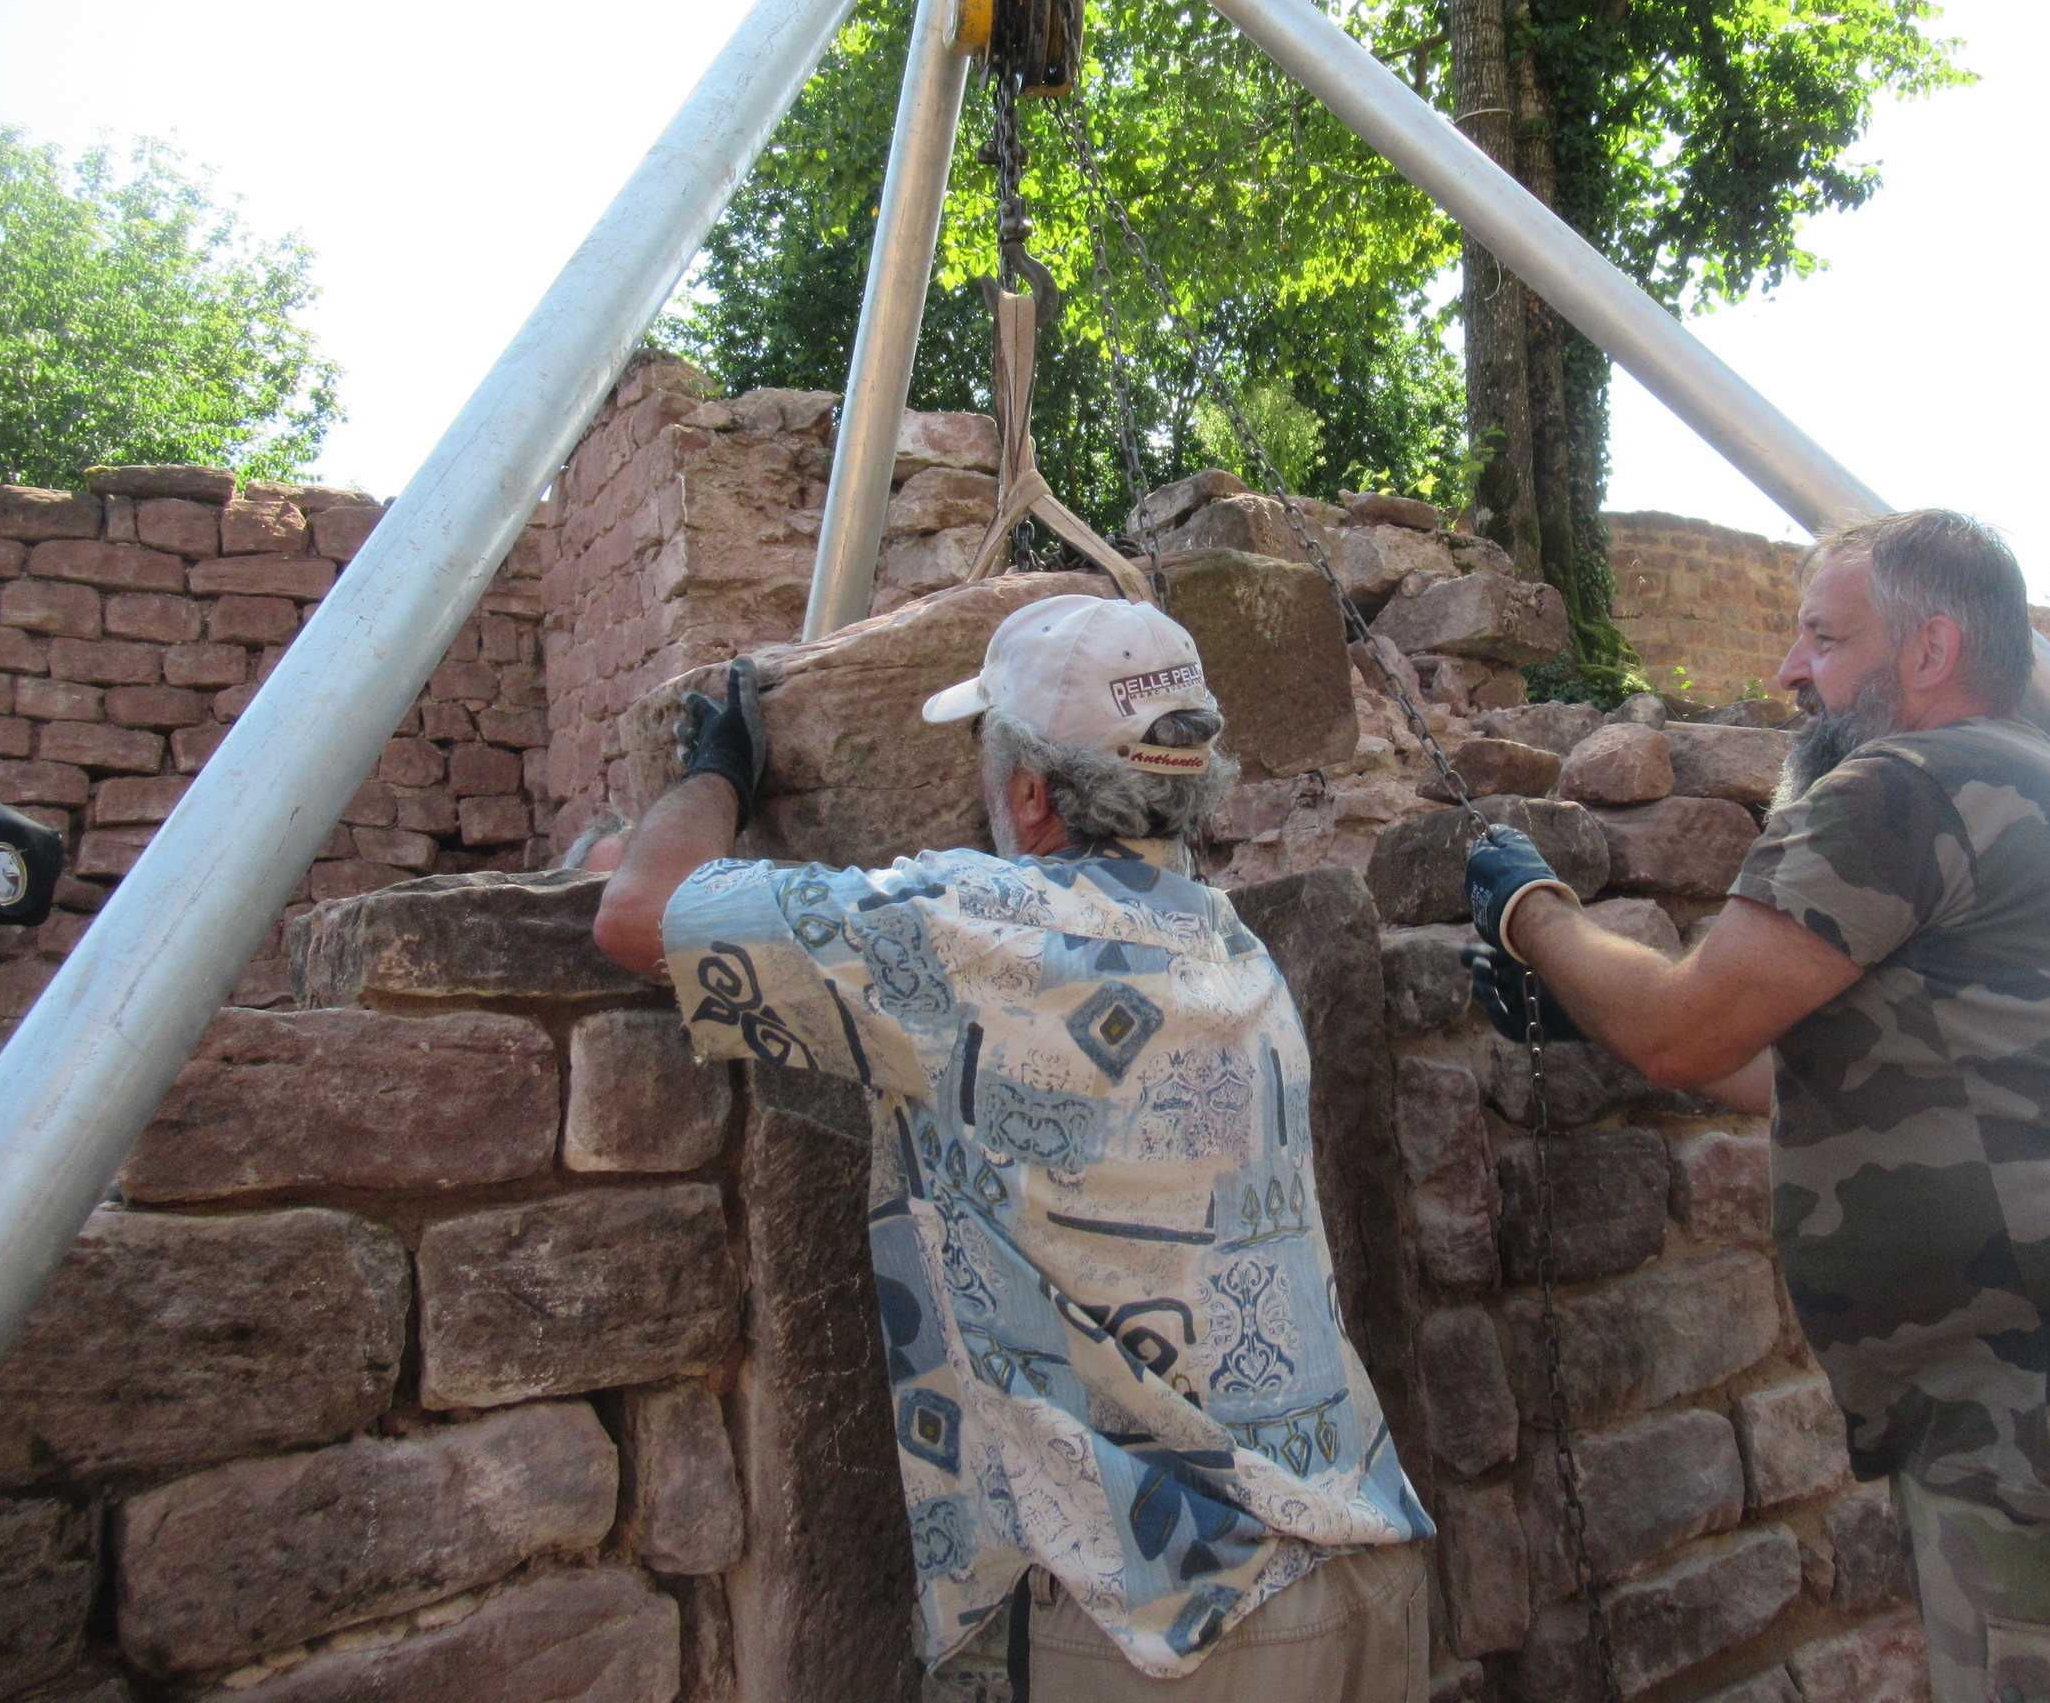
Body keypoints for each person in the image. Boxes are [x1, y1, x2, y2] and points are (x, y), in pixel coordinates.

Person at [1462, 511, 2050, 1703]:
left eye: (1825, 638)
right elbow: (1805, 1068)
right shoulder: (2044, 792)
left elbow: (1690, 1027)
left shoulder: (1913, 784)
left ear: (1929, 650)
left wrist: (1530, 912)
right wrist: (1585, 1013)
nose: (1790, 671)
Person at [593, 594, 1430, 1703]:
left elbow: (639, 912)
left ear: (1030, 794)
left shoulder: (969, 938)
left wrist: (716, 777)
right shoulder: (1231, 945)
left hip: (1166, 1629)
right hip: (1365, 1566)